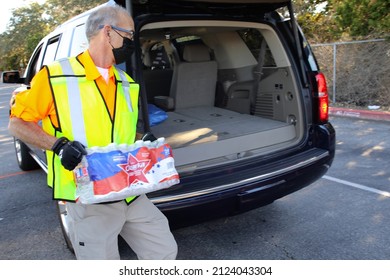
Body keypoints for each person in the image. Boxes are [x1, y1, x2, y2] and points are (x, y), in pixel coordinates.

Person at [8, 4, 177, 260]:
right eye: (129, 34)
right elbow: (17, 123)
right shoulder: (55, 76)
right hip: (87, 195)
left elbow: (121, 132)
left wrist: (144, 141)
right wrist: (58, 145)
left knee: (163, 251)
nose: (133, 41)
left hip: (130, 191)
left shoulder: (126, 82)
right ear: (108, 32)